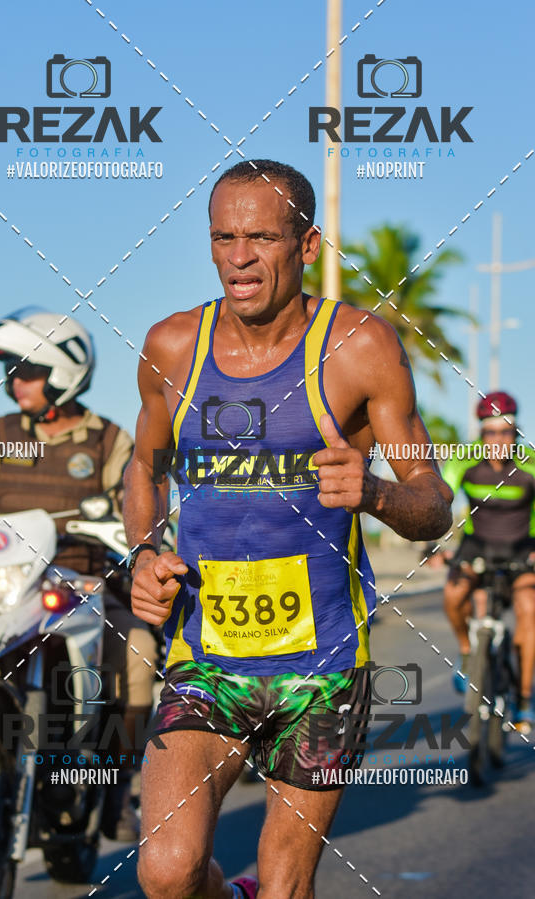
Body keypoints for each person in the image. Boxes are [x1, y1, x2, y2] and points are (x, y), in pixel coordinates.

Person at [123, 159, 453, 899]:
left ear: (306, 246)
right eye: (223, 238)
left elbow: (434, 502)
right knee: (167, 871)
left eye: (261, 239)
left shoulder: (361, 350)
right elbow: (143, 469)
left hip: (323, 667)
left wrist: (373, 492)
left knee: (284, 886)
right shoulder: (173, 348)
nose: (239, 258)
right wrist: (144, 551)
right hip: (206, 657)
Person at [0, 307, 157, 840]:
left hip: (80, 584)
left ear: (64, 373)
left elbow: (138, 501)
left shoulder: (108, 441)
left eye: (26, 369)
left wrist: (128, 521)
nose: (15, 381)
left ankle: (119, 784)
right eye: (11, 369)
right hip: (2, 582)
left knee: (141, 653)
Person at [443, 391, 535, 730]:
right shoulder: (464, 460)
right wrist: (433, 545)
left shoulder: (530, 464)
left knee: (529, 610)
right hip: (476, 547)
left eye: (506, 431)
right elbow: (441, 499)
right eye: (491, 431)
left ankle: (524, 701)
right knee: (453, 595)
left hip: (523, 549)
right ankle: (468, 655)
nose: (499, 439)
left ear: (516, 433)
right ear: (481, 434)